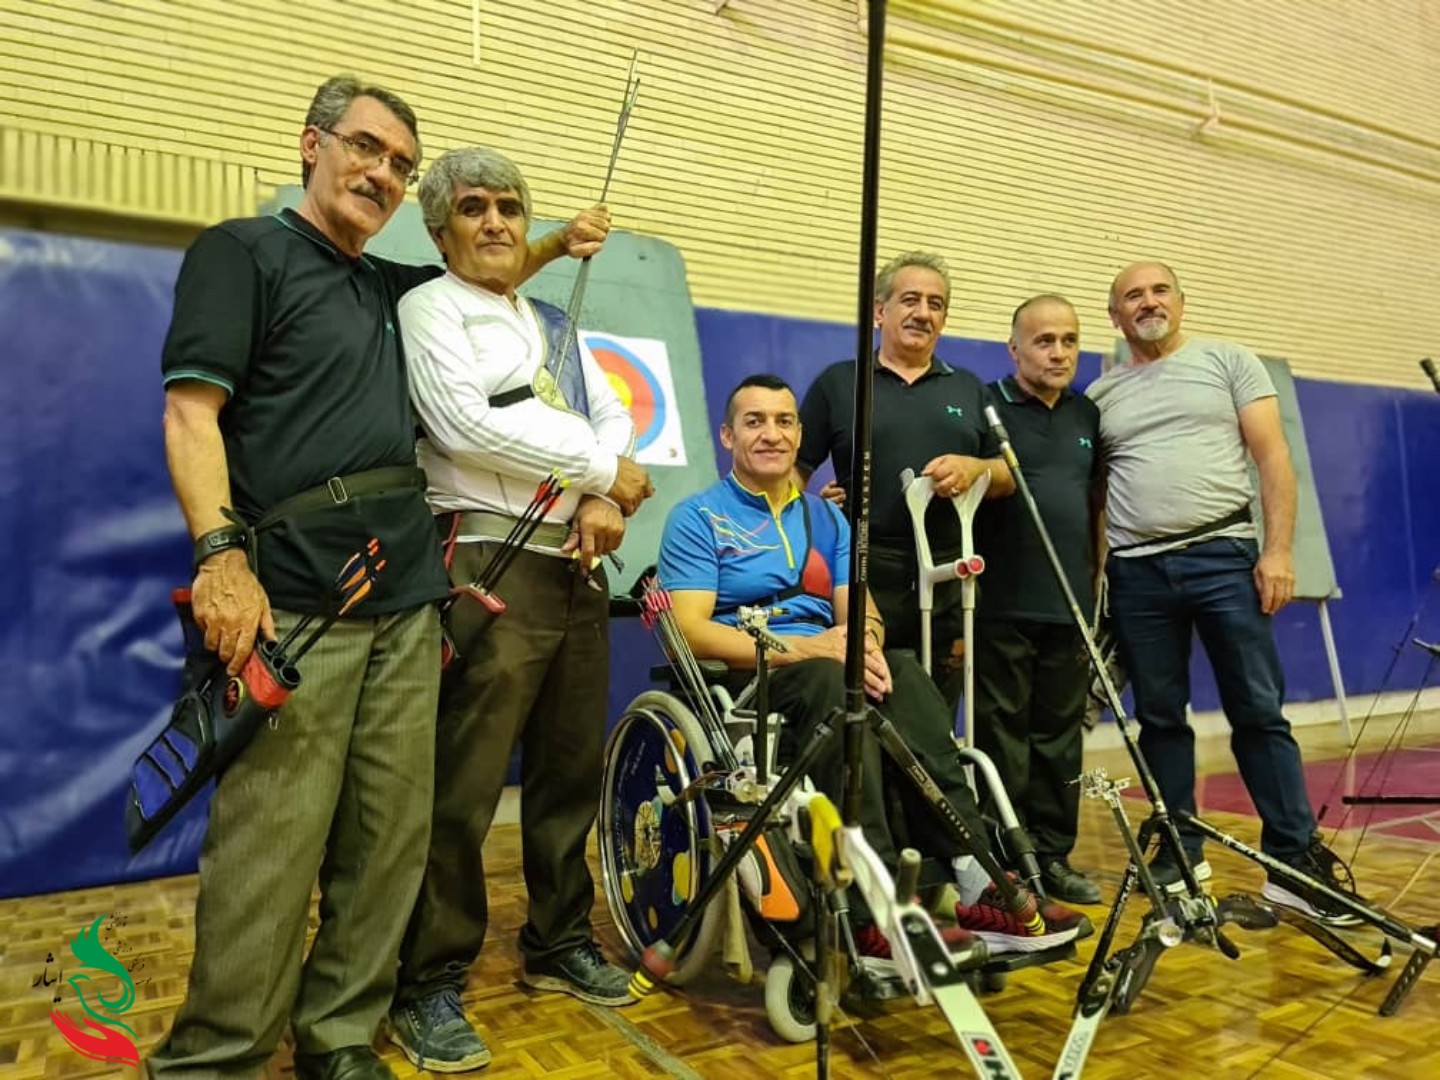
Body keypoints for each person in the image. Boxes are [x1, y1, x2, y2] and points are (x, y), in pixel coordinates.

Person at [151, 77, 603, 1080]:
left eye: (401, 163)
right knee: (273, 842)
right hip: (294, 595)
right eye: (365, 147)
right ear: (310, 145)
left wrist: (556, 241)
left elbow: (486, 259)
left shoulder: (398, 290)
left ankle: (340, 1036)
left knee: (389, 837)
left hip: (407, 597)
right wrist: (220, 556)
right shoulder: (244, 253)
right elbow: (190, 415)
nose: (383, 172)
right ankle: (217, 1057)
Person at [659, 373, 1088, 958]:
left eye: (784, 422)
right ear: (728, 436)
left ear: (799, 435)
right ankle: (875, 907)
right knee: (832, 683)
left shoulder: (827, 520)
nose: (771, 434)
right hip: (754, 675)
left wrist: (868, 647)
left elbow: (861, 609)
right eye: (754, 422)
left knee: (904, 673)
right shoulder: (698, 517)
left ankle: (978, 877)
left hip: (831, 663)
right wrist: (808, 649)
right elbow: (688, 630)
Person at [386, 146, 655, 1073]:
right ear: (440, 230)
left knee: (569, 770)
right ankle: (426, 980)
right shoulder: (429, 308)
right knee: (460, 789)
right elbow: (464, 425)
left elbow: (612, 414)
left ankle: (557, 941)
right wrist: (598, 469)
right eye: (474, 208)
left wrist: (603, 493)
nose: (496, 221)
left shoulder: (549, 319)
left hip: (577, 566)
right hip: (486, 560)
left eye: (509, 206)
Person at [1089, 260, 1359, 925]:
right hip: (1136, 572)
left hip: (1224, 557)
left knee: (1257, 710)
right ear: (1115, 316)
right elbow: (1096, 497)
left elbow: (1273, 459)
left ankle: (1292, 860)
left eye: (1159, 290)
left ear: (1181, 302)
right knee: (1159, 718)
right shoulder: (1100, 395)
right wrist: (1100, 582)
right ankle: (1180, 852)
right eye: (1132, 296)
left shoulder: (1229, 361)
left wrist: (1278, 551)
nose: (1148, 302)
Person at [798, 251, 1013, 712]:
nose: (923, 313)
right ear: (880, 311)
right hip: (862, 573)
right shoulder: (840, 383)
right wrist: (817, 511)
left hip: (950, 574)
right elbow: (791, 476)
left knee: (935, 712)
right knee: (865, 705)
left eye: (936, 304)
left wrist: (976, 468)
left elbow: (1008, 474)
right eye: (910, 300)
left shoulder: (969, 388)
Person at [972, 295, 1104, 906]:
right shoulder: (985, 406)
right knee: (1002, 740)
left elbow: (1097, 506)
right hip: (999, 605)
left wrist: (1095, 590)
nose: (1058, 352)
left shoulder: (1088, 415)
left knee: (1059, 741)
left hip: (1067, 606)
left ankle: (1052, 857)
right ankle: (1008, 861)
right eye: (1044, 340)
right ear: (1014, 349)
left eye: (1069, 340)